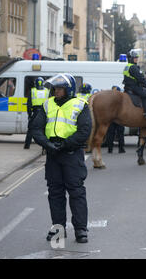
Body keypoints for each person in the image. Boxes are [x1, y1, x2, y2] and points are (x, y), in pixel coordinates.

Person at [31, 73, 92, 243]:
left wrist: (65, 145)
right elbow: (36, 128)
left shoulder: (80, 105)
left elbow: (84, 131)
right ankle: (58, 229)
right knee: (55, 193)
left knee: (76, 191)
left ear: (68, 90)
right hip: (53, 155)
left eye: (59, 88)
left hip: (72, 154)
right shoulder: (47, 104)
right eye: (55, 88)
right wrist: (47, 144)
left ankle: (81, 230)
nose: (55, 91)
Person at [123, 49, 146, 118]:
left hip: (127, 87)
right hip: (134, 87)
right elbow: (140, 78)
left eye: (137, 58)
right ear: (131, 58)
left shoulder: (127, 66)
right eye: (135, 58)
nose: (136, 59)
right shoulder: (133, 67)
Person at [24, 77, 49, 149]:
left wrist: (29, 114)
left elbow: (29, 104)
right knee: (44, 130)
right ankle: (44, 147)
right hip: (44, 112)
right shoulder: (47, 91)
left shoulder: (32, 91)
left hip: (35, 112)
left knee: (31, 129)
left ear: (35, 84)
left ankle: (27, 146)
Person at [105, 86, 126, 154]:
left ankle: (110, 149)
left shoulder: (109, 100)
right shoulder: (122, 100)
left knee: (110, 134)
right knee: (120, 134)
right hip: (120, 119)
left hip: (111, 119)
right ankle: (121, 149)